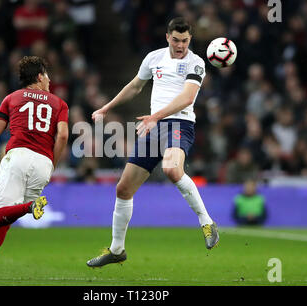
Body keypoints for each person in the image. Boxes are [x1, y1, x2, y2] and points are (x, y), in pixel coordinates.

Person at [86, 17, 218, 268]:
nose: (181, 46)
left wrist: (156, 116)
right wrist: (106, 107)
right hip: (153, 126)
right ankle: (117, 250)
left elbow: (188, 97)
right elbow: (135, 86)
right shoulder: (154, 58)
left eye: (186, 41)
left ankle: (206, 222)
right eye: (177, 40)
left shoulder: (196, 63)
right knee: (123, 189)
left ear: (190, 40)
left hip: (179, 124)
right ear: (168, 37)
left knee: (171, 169)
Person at [0, 56, 69, 280]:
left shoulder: (11, 99)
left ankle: (29, 207)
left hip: (17, 157)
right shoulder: (59, 104)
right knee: (3, 224)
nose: (49, 80)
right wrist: (52, 165)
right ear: (39, 77)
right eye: (47, 75)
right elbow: (63, 136)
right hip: (43, 164)